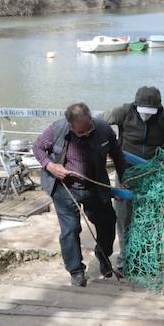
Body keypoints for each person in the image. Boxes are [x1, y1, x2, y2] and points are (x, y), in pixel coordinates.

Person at [33, 102, 127, 286]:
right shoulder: (56, 130)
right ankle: (76, 271)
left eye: (88, 129)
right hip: (65, 188)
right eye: (80, 132)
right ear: (70, 126)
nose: (86, 134)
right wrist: (51, 166)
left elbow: (117, 153)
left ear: (91, 119)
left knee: (108, 222)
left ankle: (103, 255)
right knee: (70, 230)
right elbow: (38, 148)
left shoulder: (103, 129)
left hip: (96, 187)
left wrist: (122, 180)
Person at [103, 86, 164, 265]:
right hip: (126, 171)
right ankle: (125, 256)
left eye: (151, 112)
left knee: (149, 215)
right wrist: (110, 146)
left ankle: (146, 255)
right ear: (135, 105)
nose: (147, 115)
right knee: (124, 215)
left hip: (152, 173)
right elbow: (99, 123)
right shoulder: (123, 112)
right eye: (143, 111)